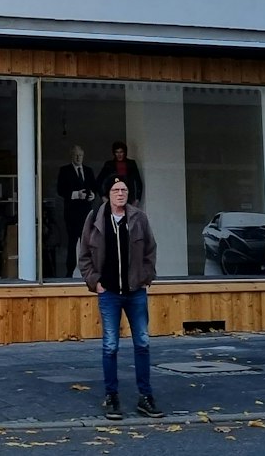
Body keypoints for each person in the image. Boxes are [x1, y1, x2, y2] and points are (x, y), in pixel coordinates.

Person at [79, 178, 161, 420]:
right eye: (115, 190)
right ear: (107, 195)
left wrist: (147, 276)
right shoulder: (95, 219)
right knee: (110, 346)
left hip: (135, 292)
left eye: (124, 190)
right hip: (110, 293)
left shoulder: (139, 219)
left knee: (143, 343)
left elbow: (150, 250)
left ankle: (146, 397)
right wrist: (95, 282)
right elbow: (83, 254)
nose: (120, 194)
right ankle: (111, 397)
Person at [54, 144, 98, 276]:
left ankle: (90, 269)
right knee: (72, 242)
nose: (78, 158)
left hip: (86, 211)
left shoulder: (88, 170)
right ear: (71, 156)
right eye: (76, 155)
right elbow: (60, 190)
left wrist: (93, 195)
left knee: (89, 241)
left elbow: (94, 187)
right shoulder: (65, 170)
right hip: (72, 212)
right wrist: (75, 194)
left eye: (80, 155)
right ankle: (69, 271)